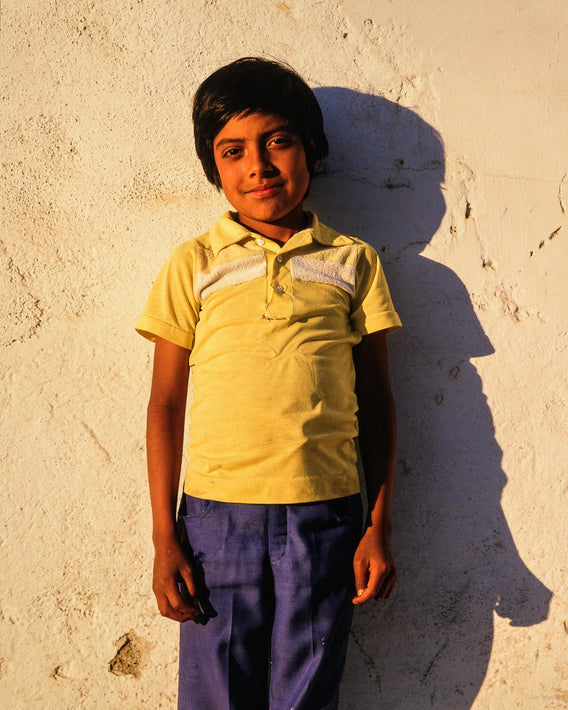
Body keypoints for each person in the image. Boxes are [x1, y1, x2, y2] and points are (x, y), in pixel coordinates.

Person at [135, 56, 401, 710]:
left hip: (328, 513)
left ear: (311, 149)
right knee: (216, 694)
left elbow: (378, 401)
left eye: (278, 140)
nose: (259, 165)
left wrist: (378, 525)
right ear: (215, 170)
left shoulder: (353, 262)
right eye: (233, 151)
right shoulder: (194, 263)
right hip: (215, 519)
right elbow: (166, 404)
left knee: (306, 694)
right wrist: (165, 537)